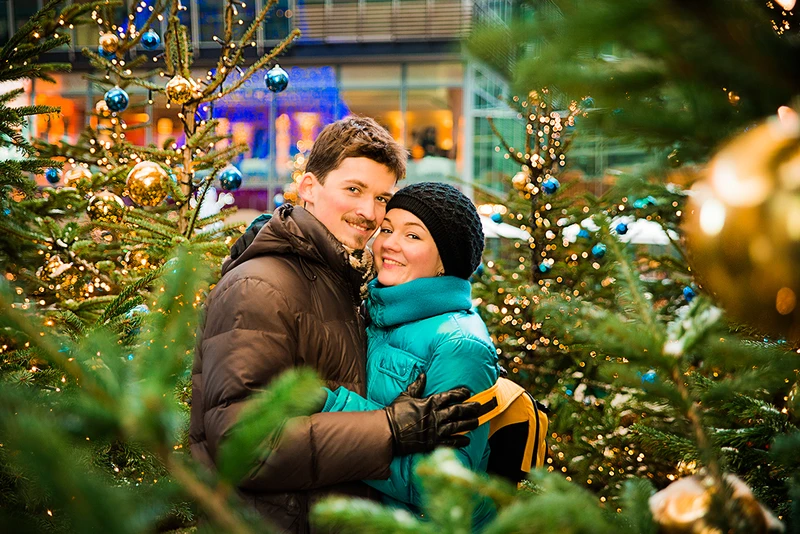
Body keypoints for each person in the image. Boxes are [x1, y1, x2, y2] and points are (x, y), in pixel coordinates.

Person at [189, 117, 481, 532]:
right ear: (309, 188)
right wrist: (389, 430)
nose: (369, 213)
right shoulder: (261, 286)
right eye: (353, 190)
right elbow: (244, 445)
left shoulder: (343, 279)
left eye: (382, 198)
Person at [321, 182, 499, 531]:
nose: (388, 243)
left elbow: (443, 488)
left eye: (413, 236)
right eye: (386, 229)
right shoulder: (376, 311)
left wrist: (331, 408)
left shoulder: (460, 344)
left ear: (444, 262)